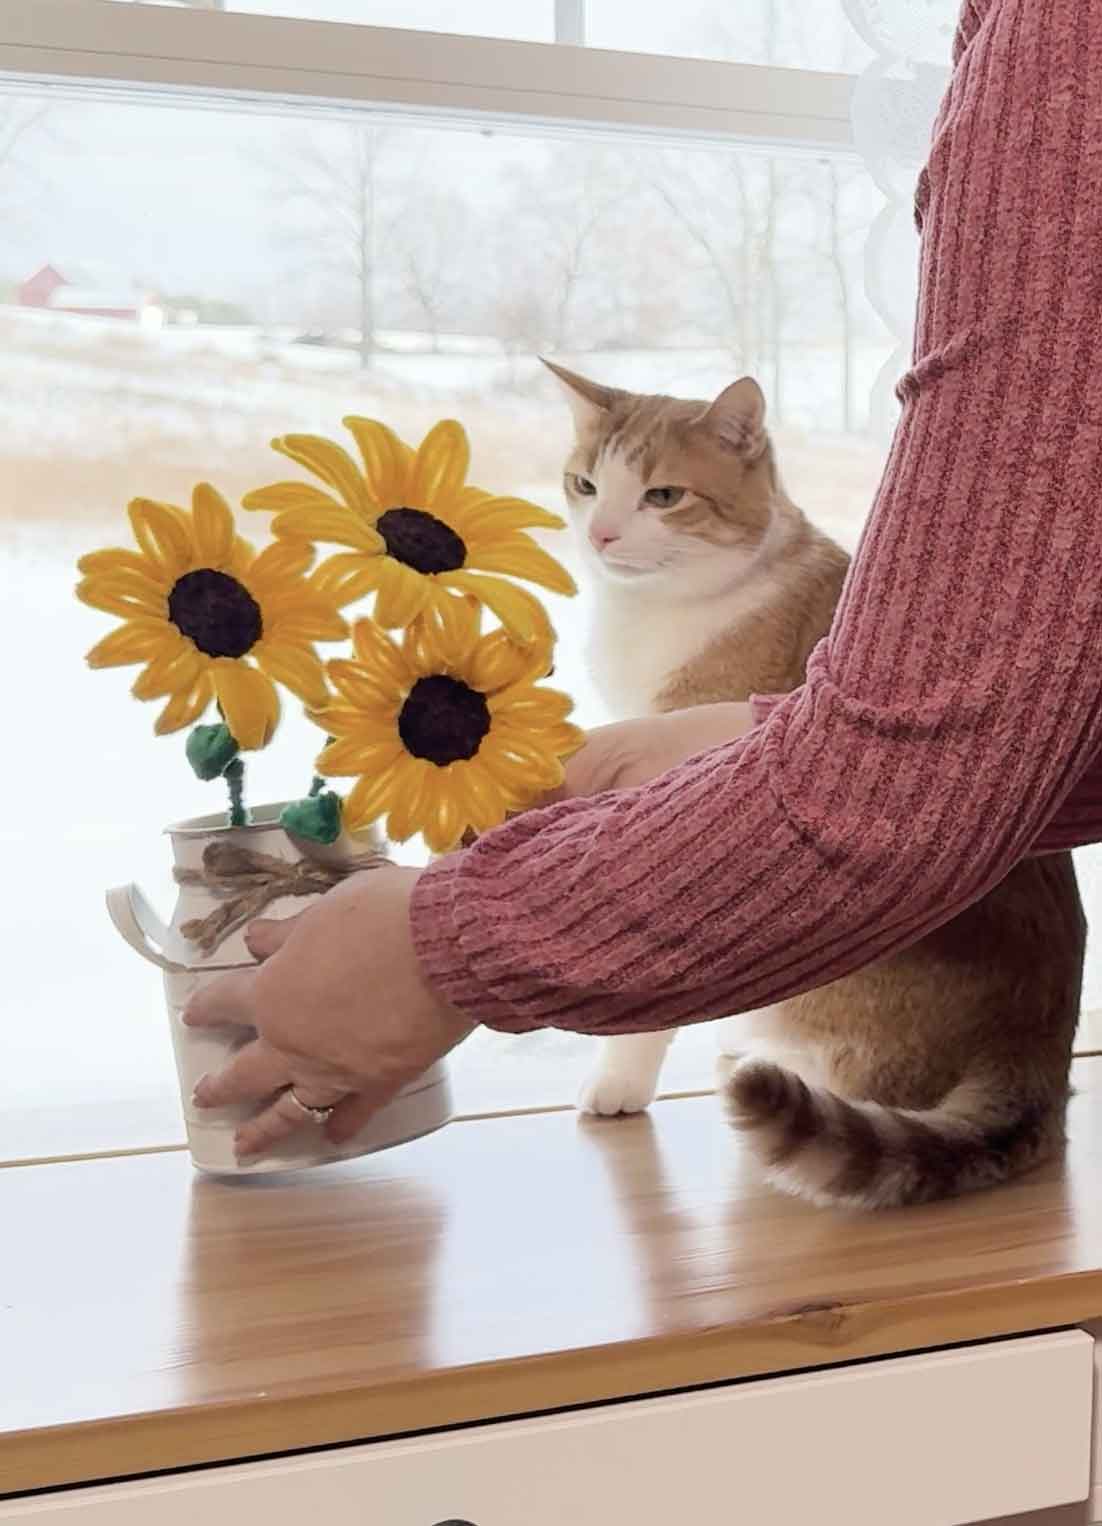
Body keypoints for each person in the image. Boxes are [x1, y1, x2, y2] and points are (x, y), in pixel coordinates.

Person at [185, 0, 1102, 1161]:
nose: (604, 529)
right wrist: (763, 736)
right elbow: (1005, 721)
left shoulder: (1066, 51)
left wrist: (447, 949)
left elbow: (912, 785)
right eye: (587, 494)